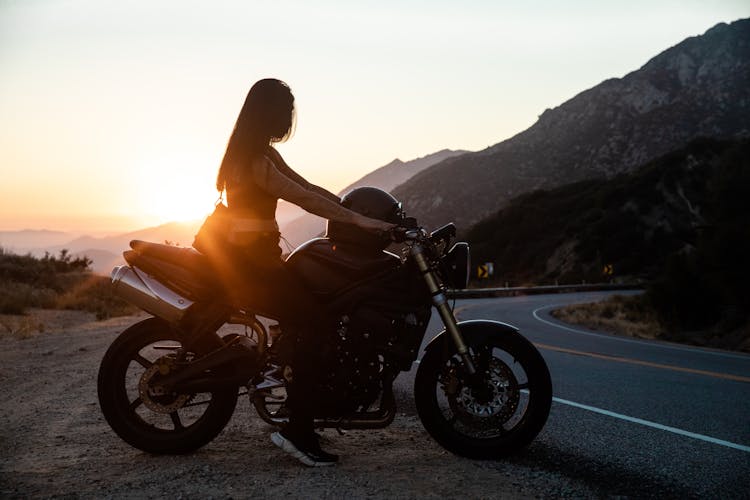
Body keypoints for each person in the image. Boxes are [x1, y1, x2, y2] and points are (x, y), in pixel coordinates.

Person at [213, 78, 395, 466]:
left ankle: (289, 375)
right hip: (250, 268)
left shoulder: (259, 153)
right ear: (269, 111)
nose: (289, 117)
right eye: (285, 109)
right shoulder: (254, 161)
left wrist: (353, 208)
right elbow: (304, 199)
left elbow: (307, 185)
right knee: (317, 324)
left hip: (259, 261)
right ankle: (296, 430)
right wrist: (361, 223)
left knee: (320, 308)